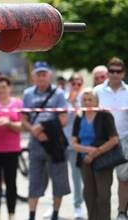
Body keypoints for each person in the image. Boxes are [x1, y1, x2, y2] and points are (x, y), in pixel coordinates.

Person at [22, 61, 70, 220]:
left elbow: (64, 119)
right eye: (38, 74)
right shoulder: (28, 93)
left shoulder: (59, 94)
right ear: (33, 76)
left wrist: (41, 128)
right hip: (36, 143)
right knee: (34, 181)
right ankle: (31, 215)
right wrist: (34, 132)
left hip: (54, 143)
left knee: (59, 180)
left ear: (49, 75)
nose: (41, 77)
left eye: (44, 74)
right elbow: (24, 120)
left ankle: (55, 214)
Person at [71, 88, 118, 220]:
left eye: (90, 99)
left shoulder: (105, 116)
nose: (87, 102)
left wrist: (94, 153)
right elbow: (74, 143)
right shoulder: (79, 118)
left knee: (103, 196)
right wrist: (87, 152)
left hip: (103, 159)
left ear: (96, 101)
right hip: (84, 160)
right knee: (89, 195)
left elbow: (114, 140)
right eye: (84, 100)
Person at [94, 57, 128, 220]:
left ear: (123, 73)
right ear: (107, 73)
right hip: (103, 142)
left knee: (124, 179)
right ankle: (103, 216)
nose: (115, 74)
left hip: (124, 140)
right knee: (103, 183)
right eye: (112, 71)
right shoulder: (97, 91)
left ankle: (122, 212)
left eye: (118, 71)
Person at [0, 76, 23, 220]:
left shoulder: (18, 103)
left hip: (12, 150)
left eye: (4, 87)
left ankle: (11, 214)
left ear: (9, 88)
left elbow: (22, 126)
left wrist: (9, 124)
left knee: (11, 183)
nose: (1, 90)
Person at [64, 73, 84, 219]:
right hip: (61, 142)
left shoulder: (84, 98)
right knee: (56, 175)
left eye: (79, 83)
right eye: (74, 83)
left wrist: (75, 104)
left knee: (77, 176)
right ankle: (54, 207)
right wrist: (69, 102)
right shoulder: (63, 97)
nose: (77, 86)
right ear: (69, 83)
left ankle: (78, 205)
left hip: (76, 144)